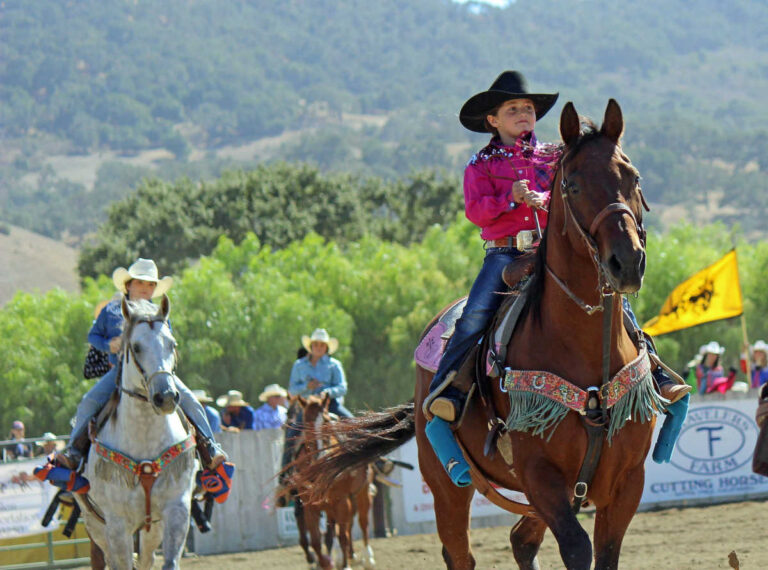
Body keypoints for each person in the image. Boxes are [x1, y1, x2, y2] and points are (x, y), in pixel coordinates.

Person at [423, 70, 691, 423]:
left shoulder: (556, 157)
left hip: (554, 250)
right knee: (474, 316)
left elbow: (578, 194)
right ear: (492, 120)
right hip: (504, 252)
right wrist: (509, 198)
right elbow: (476, 211)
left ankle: (653, 373)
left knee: (618, 304)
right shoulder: (480, 164)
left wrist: (544, 198)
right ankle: (451, 389)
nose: (523, 114)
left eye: (528, 108)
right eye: (512, 109)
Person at [57, 258, 227, 470]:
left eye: (150, 284)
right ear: (128, 285)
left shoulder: (161, 314)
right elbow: (93, 336)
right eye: (140, 282)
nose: (146, 288)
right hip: (120, 373)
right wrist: (108, 344)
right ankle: (73, 452)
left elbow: (168, 342)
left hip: (158, 371)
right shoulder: (110, 312)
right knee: (89, 402)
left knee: (192, 402)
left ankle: (210, 449)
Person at [289, 328, 352, 418]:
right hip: (305, 405)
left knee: (352, 423)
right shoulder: (299, 365)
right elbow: (292, 389)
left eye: (322, 345)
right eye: (316, 344)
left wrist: (327, 392)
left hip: (330, 405)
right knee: (292, 431)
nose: (319, 347)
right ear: (311, 346)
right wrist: (307, 386)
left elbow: (342, 387)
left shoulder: (334, 365)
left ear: (326, 347)